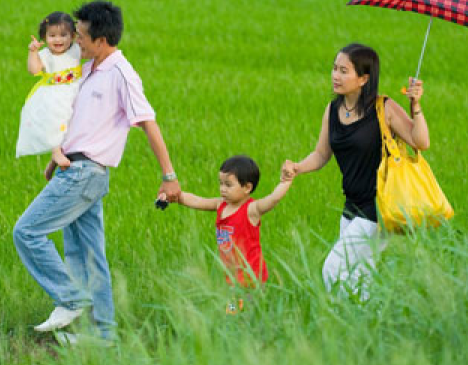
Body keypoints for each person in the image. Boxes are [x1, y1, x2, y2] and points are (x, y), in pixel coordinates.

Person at [13, 0, 181, 342]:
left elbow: (148, 124)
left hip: (86, 173)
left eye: (82, 35)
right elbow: (81, 119)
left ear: (102, 40)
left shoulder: (121, 73)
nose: (75, 39)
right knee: (89, 257)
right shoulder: (87, 68)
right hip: (74, 167)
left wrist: (169, 176)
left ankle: (71, 298)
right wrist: (56, 155)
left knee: (27, 232)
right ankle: (103, 338)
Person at [281, 43, 429, 301]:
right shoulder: (334, 110)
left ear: (363, 78)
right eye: (334, 69)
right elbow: (321, 154)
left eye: (344, 71)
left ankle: (335, 324)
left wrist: (415, 105)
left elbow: (421, 142)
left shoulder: (384, 109)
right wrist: (297, 167)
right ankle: (365, 333)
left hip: (378, 207)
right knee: (360, 280)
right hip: (351, 206)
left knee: (332, 270)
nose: (335, 76)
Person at [170, 155, 293, 312]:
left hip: (250, 281)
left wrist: (286, 182)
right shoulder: (221, 204)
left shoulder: (251, 210)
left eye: (228, 185)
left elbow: (273, 199)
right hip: (232, 280)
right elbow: (197, 201)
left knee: (238, 315)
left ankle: (246, 329)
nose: (222, 189)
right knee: (236, 314)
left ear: (247, 187)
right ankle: (241, 326)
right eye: (221, 183)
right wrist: (176, 196)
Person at [24, 11, 81, 168]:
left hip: (75, 92)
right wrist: (33, 52)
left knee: (74, 122)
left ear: (73, 36)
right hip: (55, 95)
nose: (58, 39)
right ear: (44, 37)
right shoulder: (45, 55)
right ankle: (56, 152)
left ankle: (66, 152)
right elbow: (34, 70)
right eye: (52, 35)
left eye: (64, 35)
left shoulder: (75, 50)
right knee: (56, 122)